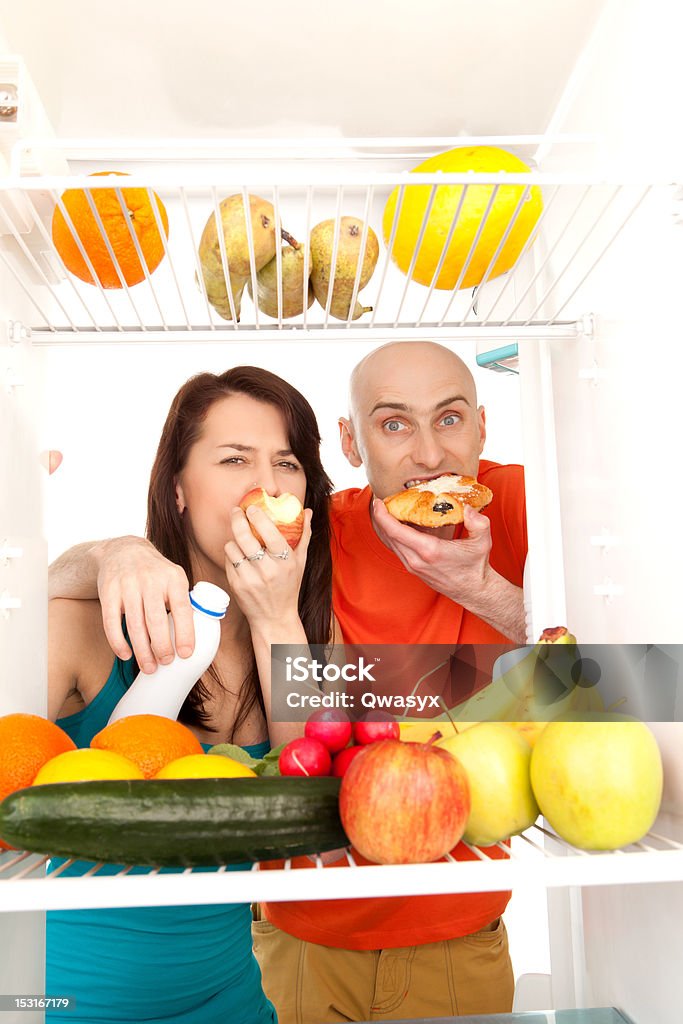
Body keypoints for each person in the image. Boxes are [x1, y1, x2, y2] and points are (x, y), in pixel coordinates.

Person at [49, 342, 528, 1022]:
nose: (428, 457)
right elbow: (36, 589)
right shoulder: (321, 546)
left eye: (284, 464)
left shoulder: (524, 505)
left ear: (481, 425)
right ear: (351, 442)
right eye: (393, 423)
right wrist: (112, 550)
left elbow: (647, 670)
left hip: (446, 930)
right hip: (287, 942)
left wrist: (482, 590)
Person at [46, 365, 337, 1024]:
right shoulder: (84, 625)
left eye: (286, 463)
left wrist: (273, 621)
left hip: (232, 1002)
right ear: (178, 490)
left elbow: (312, 815)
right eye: (235, 458)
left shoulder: (312, 633)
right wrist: (108, 551)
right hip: (59, 1005)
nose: (265, 485)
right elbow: (20, 597)